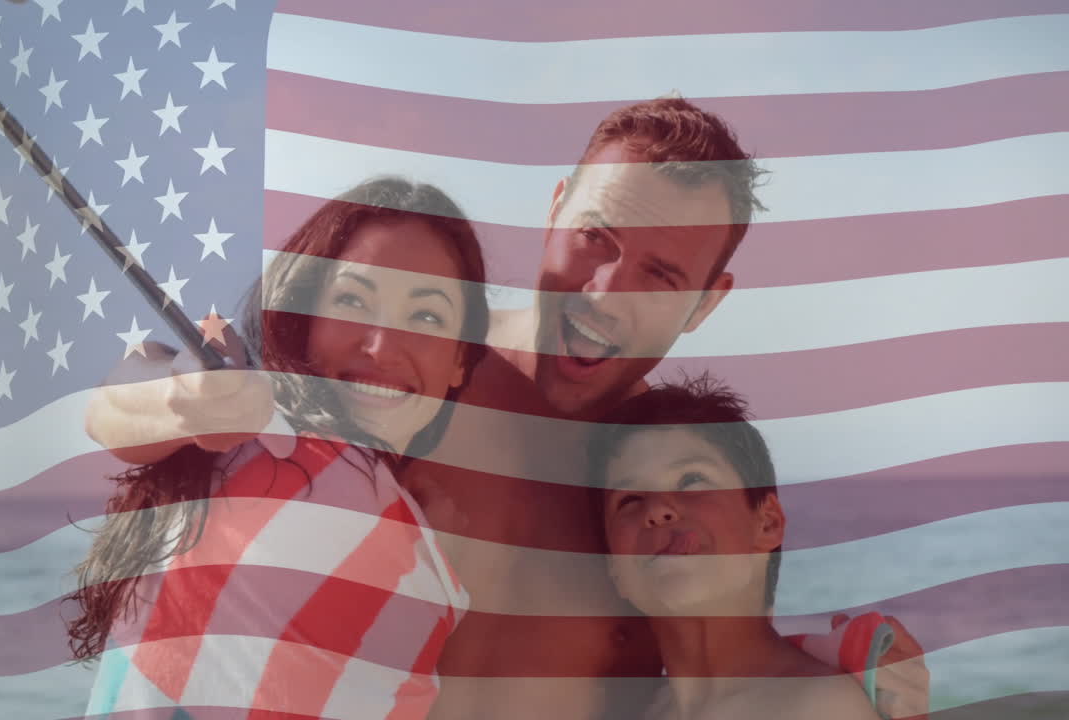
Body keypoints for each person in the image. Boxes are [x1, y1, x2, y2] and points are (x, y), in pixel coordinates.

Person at [83, 98, 929, 720]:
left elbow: (720, 667)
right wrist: (162, 405)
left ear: (707, 302)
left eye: (662, 277)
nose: (605, 292)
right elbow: (162, 393)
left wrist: (849, 664)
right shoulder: (410, 367)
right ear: (556, 204)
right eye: (596, 238)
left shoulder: (648, 485)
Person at [66, 177, 491, 719]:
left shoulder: (434, 571)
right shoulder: (263, 425)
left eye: (427, 316)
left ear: (460, 360)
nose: (382, 346)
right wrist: (189, 398)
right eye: (353, 302)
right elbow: (114, 407)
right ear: (304, 320)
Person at [592, 376, 880, 720]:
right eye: (630, 500)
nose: (656, 510)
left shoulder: (818, 707)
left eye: (691, 480)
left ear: (767, 523)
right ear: (615, 569)